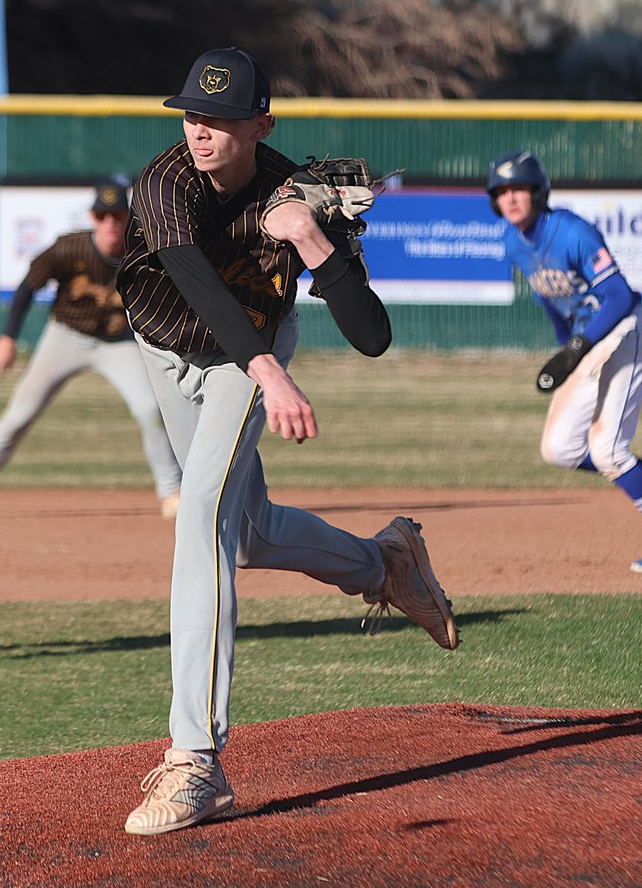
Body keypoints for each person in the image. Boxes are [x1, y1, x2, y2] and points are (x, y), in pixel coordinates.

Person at [115, 48, 459, 836]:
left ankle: (195, 757)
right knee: (248, 536)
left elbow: (372, 335)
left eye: (221, 119)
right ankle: (386, 561)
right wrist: (271, 372)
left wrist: (312, 239)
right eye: (193, 116)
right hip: (171, 347)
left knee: (201, 513)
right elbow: (192, 278)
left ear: (260, 125)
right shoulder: (164, 181)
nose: (200, 132)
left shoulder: (298, 193)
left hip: (250, 356)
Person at [487, 150, 642, 573]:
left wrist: (581, 343)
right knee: (559, 449)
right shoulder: (513, 242)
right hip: (587, 343)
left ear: (538, 191)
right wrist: (567, 351)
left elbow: (620, 295)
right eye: (502, 190)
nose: (511, 198)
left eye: (520, 188)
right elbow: (549, 299)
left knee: (606, 449)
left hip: (626, 333)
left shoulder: (572, 232)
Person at [0, 182, 183, 520]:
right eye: (102, 214)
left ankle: (172, 493)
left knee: (150, 409)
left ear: (129, 218)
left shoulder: (144, 253)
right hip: (66, 337)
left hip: (121, 342)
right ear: (92, 218)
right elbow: (27, 286)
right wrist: (8, 337)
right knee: (18, 416)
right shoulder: (70, 248)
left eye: (118, 215)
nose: (110, 222)